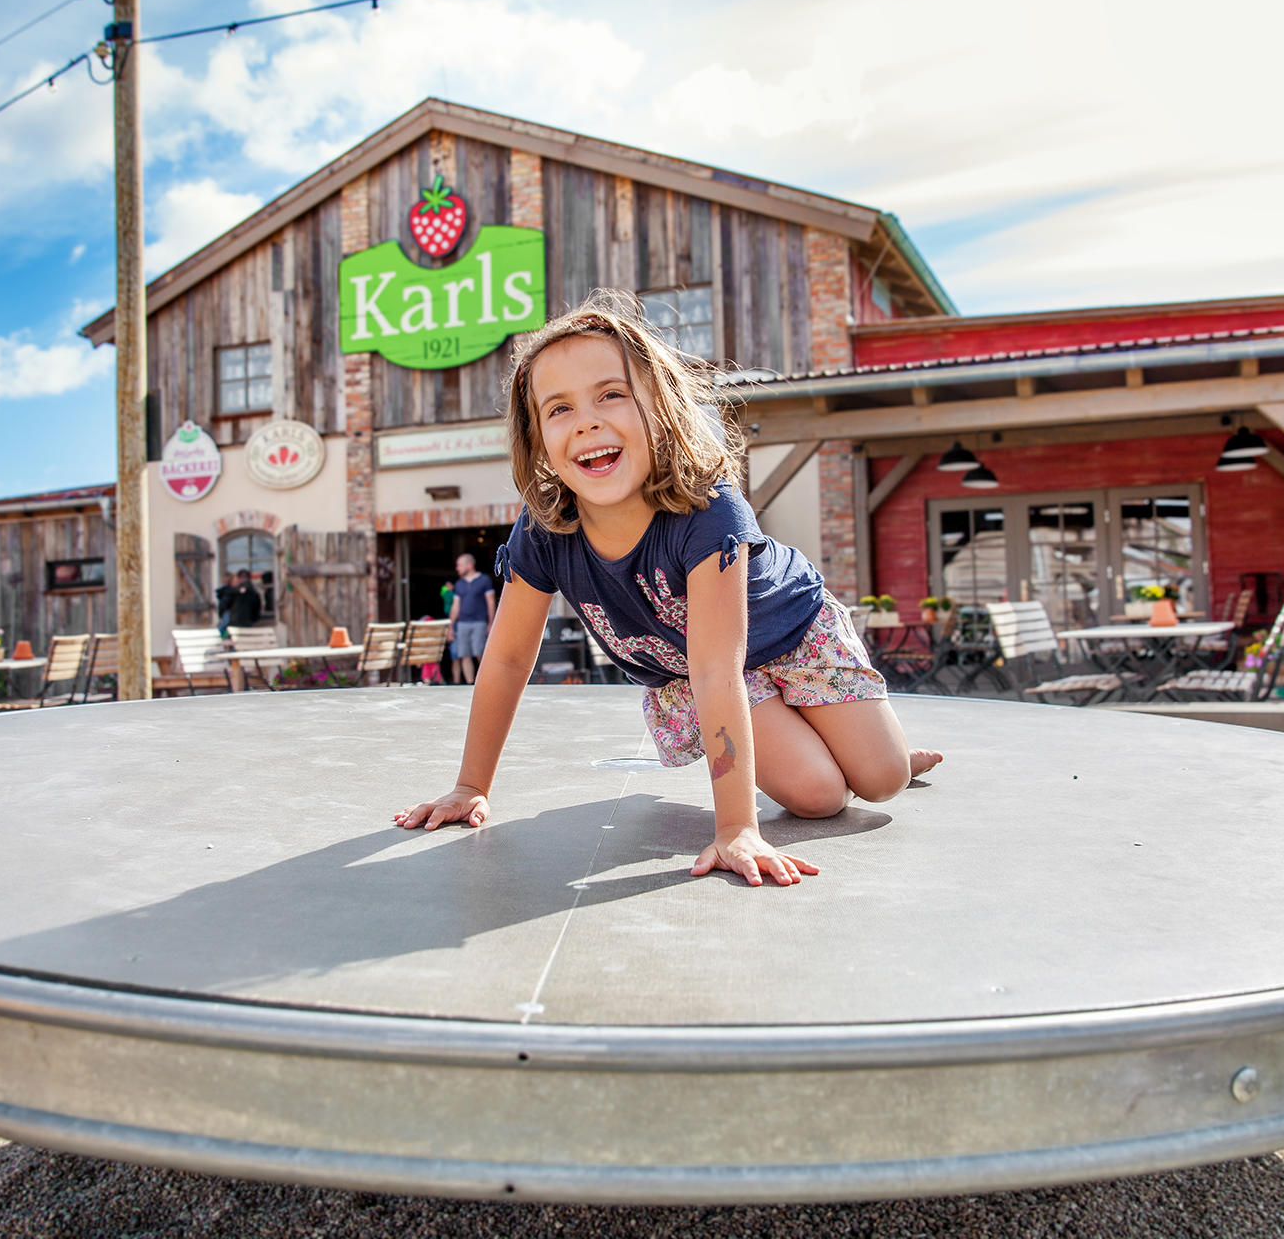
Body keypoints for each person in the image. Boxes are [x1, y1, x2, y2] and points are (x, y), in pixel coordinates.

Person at [398, 291, 941, 887]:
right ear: (539, 439)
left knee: (882, 782)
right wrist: (471, 786)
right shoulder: (546, 527)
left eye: (611, 394)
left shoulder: (705, 509)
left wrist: (736, 828)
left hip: (788, 634)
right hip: (697, 672)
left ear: (659, 404)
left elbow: (720, 668)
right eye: (559, 409)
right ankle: (837, 740)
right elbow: (504, 659)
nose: (587, 420)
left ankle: (882, 749)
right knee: (818, 797)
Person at [447, 552, 495, 684]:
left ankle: (487, 682)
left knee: (480, 653)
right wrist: (450, 627)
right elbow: (456, 606)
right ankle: (470, 683)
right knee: (464, 655)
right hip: (462, 624)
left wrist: (491, 623)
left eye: (460, 565)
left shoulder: (484, 580)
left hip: (479, 622)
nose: (457, 568)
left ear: (469, 565)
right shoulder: (459, 584)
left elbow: (490, 602)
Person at [214, 571, 237, 637]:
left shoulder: (224, 590)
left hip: (226, 612)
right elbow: (225, 603)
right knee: (224, 628)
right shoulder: (229, 591)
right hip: (229, 612)